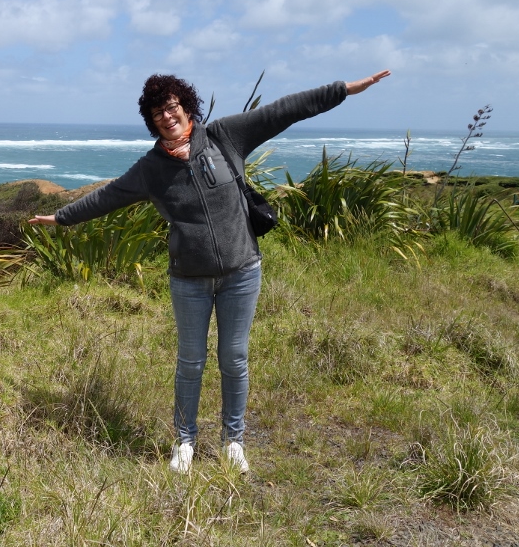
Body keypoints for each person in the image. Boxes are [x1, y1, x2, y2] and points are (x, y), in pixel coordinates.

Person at [29, 70, 391, 474]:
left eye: (171, 107)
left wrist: (343, 90)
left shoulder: (225, 136)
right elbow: (108, 196)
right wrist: (61, 217)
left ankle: (233, 441)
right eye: (157, 113)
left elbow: (283, 111)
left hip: (242, 272)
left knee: (234, 359)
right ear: (151, 122)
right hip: (189, 280)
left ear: (186, 106)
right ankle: (184, 441)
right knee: (191, 362)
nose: (167, 117)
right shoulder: (151, 169)